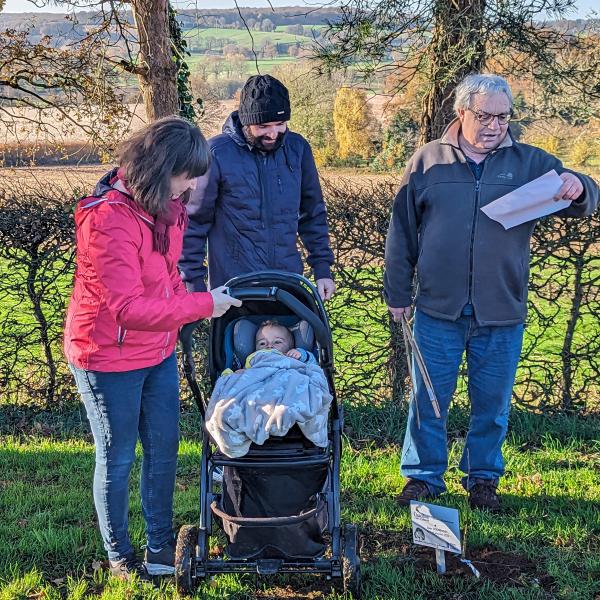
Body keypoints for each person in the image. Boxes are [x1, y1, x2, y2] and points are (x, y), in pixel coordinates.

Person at [384, 74, 599, 511]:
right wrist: (397, 291)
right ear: (461, 112)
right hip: (437, 308)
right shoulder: (428, 161)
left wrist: (580, 186)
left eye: (502, 117)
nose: (494, 125)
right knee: (428, 399)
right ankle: (423, 478)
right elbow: (402, 231)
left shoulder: (526, 162)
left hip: (501, 309)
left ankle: (483, 478)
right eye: (484, 115)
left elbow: (583, 193)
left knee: (493, 405)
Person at [63, 116, 241, 580]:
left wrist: (186, 302)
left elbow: (165, 280)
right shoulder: (107, 221)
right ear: (162, 169)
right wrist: (203, 306)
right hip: (107, 355)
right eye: (187, 177)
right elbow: (126, 308)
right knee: (118, 455)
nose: (192, 188)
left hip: (156, 352)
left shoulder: (167, 208)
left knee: (163, 452)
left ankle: (160, 549)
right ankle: (121, 557)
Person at [179, 74, 336, 301]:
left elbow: (313, 214)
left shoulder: (298, 149)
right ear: (246, 121)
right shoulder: (216, 154)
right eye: (263, 126)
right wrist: (194, 285)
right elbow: (193, 223)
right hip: (233, 288)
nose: (273, 134)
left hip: (288, 284)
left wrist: (322, 269)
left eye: (280, 124)